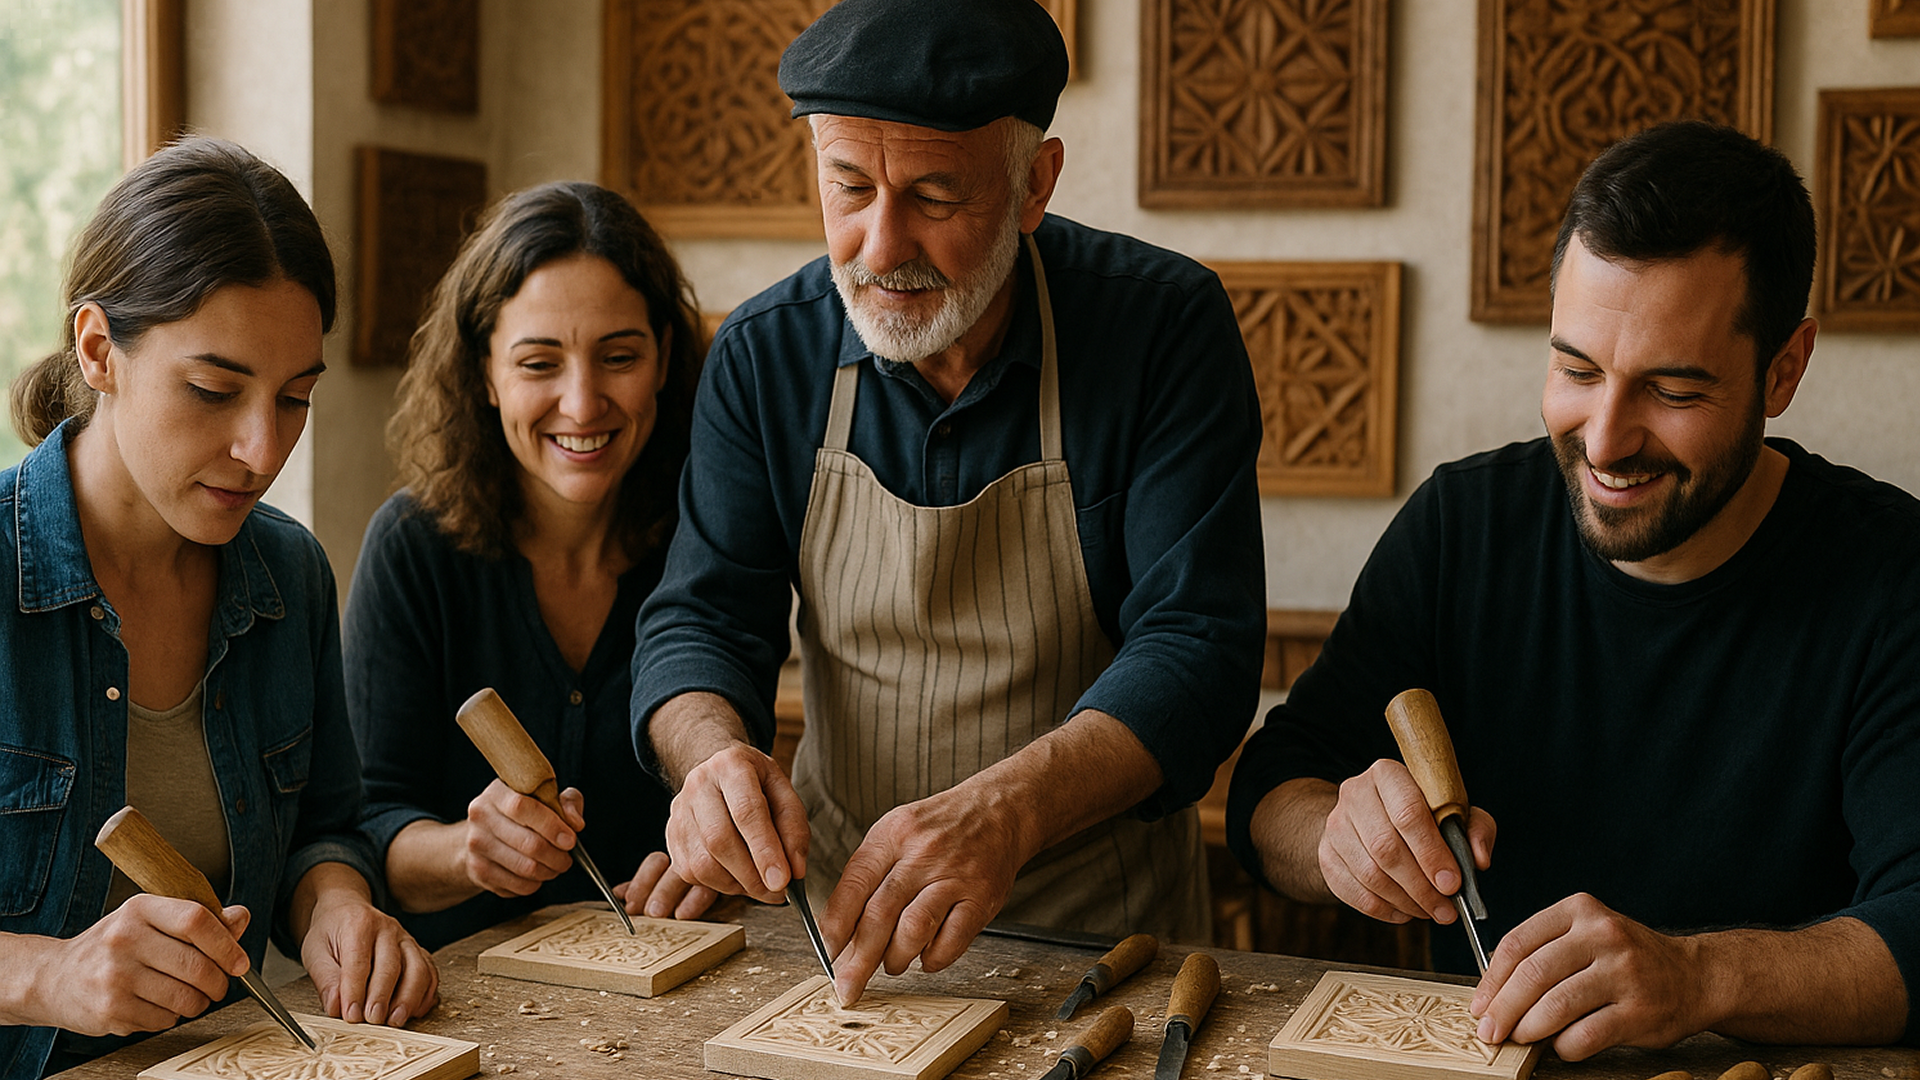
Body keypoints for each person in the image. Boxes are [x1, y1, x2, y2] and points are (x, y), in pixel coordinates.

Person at [1228, 120, 1920, 1057]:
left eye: (1671, 392)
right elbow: (1270, 792)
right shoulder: (1462, 526)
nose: (1602, 440)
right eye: (1576, 369)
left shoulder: (1891, 573)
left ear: (1784, 369)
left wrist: (1698, 978)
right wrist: (1333, 838)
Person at [633, 0, 1266, 1006]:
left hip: (1103, 943)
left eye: (933, 195)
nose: (881, 248)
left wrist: (1008, 811)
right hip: (846, 941)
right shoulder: (765, 354)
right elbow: (699, 615)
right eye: (848, 188)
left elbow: (1200, 646)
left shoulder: (1162, 331)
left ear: (1034, 184)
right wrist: (707, 758)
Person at [0, 137, 439, 1079]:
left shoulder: (290, 575)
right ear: (97, 350)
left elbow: (327, 826)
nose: (261, 448)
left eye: (294, 399)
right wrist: (48, 977)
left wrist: (336, 906)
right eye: (213, 390)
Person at [345, 182, 715, 953]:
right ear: (485, 373)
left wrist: (716, 856)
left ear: (664, 359)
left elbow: (730, 777)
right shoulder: (412, 549)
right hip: (460, 1000)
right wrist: (465, 853)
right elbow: (368, 830)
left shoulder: (709, 536)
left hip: (670, 987)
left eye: (619, 357)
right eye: (539, 363)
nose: (582, 405)